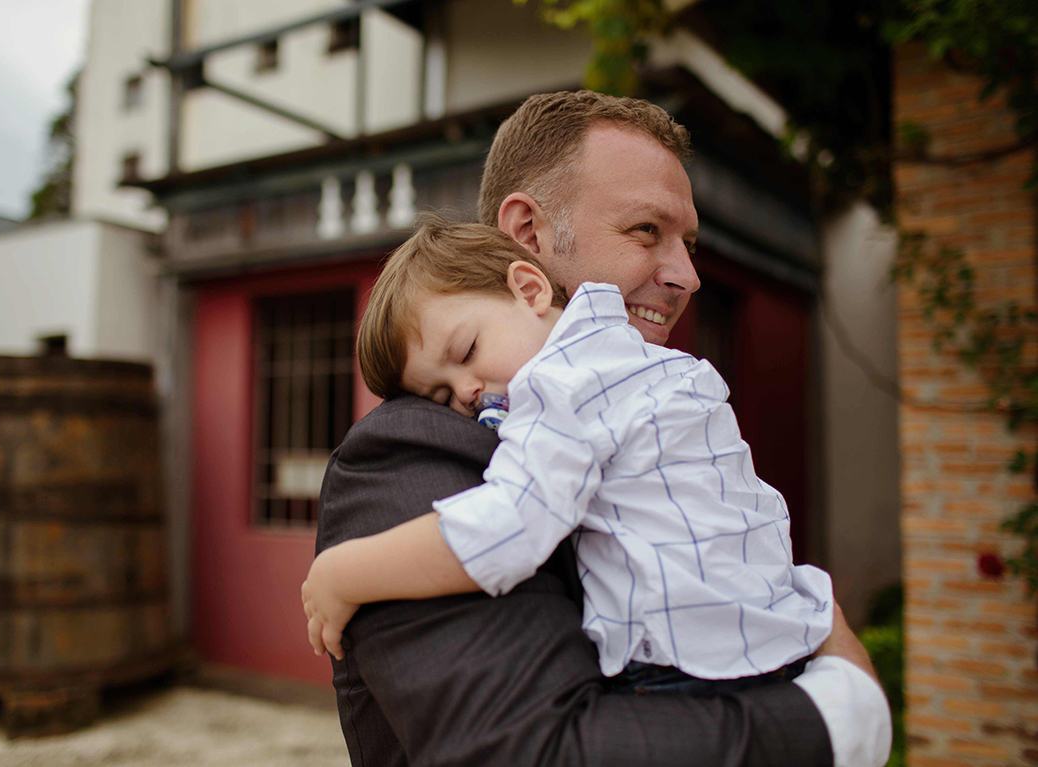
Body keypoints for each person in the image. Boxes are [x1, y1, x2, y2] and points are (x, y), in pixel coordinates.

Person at [314, 90, 890, 767]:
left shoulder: (641, 384)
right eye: (646, 231)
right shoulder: (415, 446)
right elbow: (535, 751)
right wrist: (842, 714)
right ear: (528, 237)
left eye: (688, 243)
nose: (687, 275)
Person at [303, 219, 836, 699]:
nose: (465, 391)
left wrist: (342, 573)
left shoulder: (562, 382)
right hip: (774, 643)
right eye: (441, 396)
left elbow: (506, 530)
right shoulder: (647, 362)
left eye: (465, 352)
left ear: (529, 289)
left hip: (690, 668)